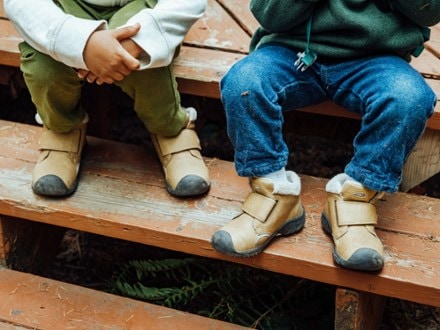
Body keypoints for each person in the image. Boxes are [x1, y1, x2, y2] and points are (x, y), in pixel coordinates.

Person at [211, 0, 440, 272]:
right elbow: (269, 15)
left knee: (408, 99)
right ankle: (272, 192)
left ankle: (356, 197)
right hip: (291, 51)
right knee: (243, 84)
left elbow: (428, 13)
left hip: (376, 59)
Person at [4, 0, 210, 198]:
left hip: (141, 10)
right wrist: (82, 43)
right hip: (63, 9)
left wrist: (135, 44)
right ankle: (62, 127)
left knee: (145, 68)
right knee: (45, 70)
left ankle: (170, 127)